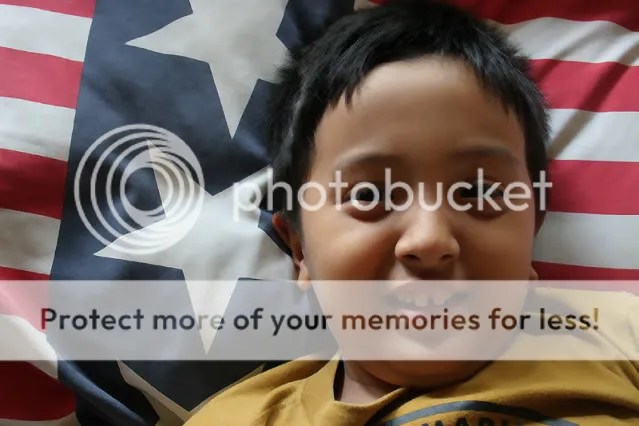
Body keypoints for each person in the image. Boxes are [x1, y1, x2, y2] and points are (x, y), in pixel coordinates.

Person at [186, 0, 639, 424]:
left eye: (478, 192)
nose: (429, 239)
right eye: (369, 196)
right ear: (300, 249)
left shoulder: (614, 332)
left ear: (532, 229)